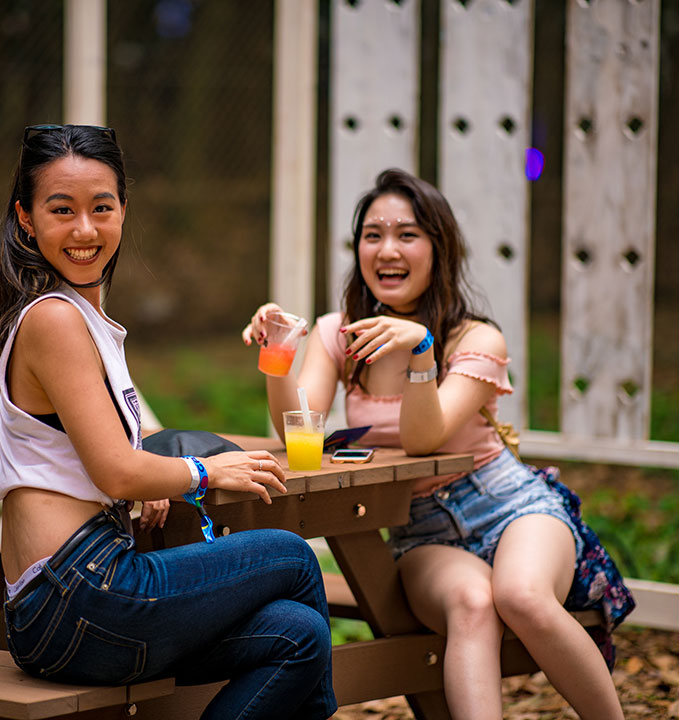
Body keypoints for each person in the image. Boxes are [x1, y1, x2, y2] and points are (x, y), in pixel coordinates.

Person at [243, 168, 633, 719]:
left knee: (520, 596)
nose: (387, 249)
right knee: (473, 603)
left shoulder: (476, 338)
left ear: (438, 248)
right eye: (373, 234)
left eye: (408, 234)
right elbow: (295, 430)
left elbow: (424, 439)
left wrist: (423, 351)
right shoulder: (339, 333)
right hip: (421, 529)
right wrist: (277, 349)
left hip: (510, 506)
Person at [0, 124, 336, 720]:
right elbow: (116, 471)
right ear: (26, 218)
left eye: (102, 207)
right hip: (80, 595)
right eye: (61, 210)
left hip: (66, 604)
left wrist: (157, 476)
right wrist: (201, 471)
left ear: (124, 209)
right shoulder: (54, 319)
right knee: (292, 556)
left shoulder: (81, 316)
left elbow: (95, 457)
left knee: (298, 634)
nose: (84, 230)